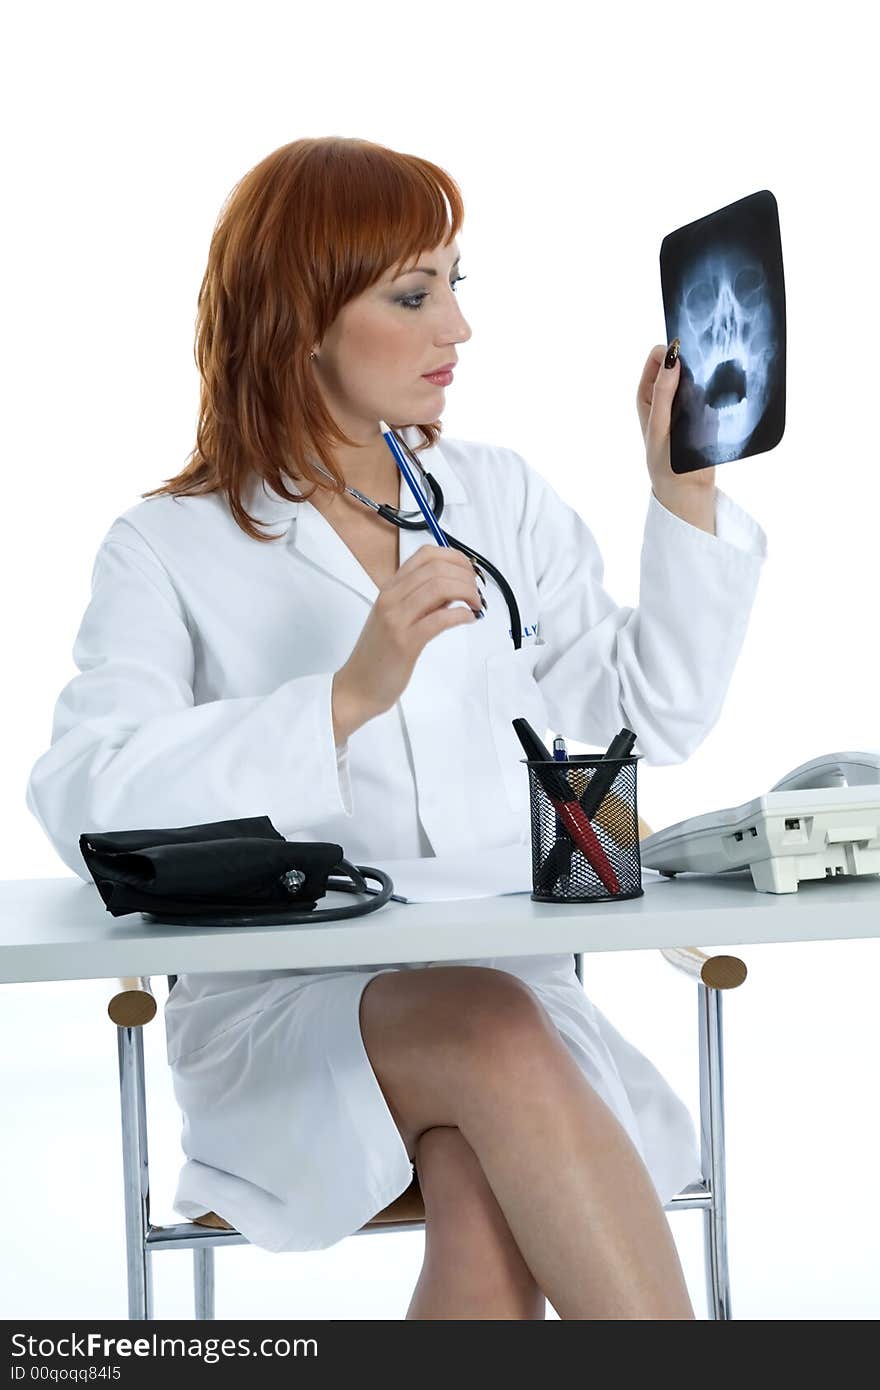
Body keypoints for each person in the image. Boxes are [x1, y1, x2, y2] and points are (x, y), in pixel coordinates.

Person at [25, 136, 768, 1319]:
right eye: (413, 296)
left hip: (507, 989)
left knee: (482, 1173)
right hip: (282, 1013)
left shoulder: (499, 497)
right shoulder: (168, 544)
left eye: (453, 287)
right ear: (299, 321)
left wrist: (682, 495)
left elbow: (652, 716)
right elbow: (86, 797)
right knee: (491, 1032)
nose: (457, 332)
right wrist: (345, 696)